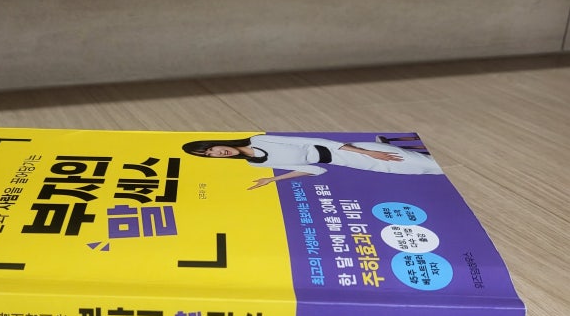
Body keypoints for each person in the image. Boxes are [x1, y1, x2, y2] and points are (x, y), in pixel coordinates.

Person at [182, 134, 442, 188]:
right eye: (209, 156)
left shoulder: (260, 140)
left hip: (357, 152)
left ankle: (384, 144)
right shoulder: (254, 164)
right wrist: (273, 180)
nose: (217, 153)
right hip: (351, 162)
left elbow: (316, 141)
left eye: (211, 149)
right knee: (422, 171)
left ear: (216, 143)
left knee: (430, 164)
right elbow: (313, 170)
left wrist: (368, 152)